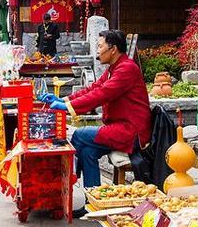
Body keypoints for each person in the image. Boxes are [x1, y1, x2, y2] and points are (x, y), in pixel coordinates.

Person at [44, 30, 151, 206]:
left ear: (113, 49)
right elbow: (92, 89)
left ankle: (67, 178)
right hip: (119, 128)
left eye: (100, 46)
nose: (98, 51)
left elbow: (101, 94)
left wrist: (67, 108)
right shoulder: (114, 69)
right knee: (87, 152)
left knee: (79, 135)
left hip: (131, 133)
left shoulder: (127, 69)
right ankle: (93, 203)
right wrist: (63, 100)